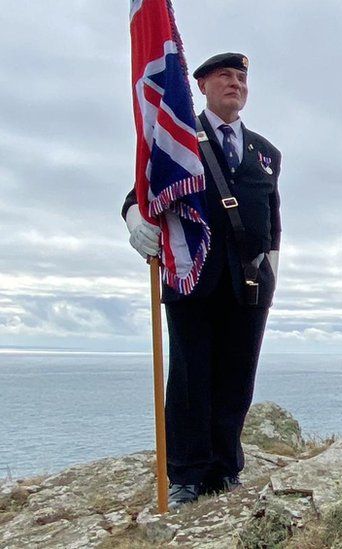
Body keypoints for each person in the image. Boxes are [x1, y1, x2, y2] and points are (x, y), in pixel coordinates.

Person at [122, 52, 282, 508]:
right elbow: (138, 195)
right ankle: (187, 475)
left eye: (241, 77)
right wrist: (136, 220)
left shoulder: (266, 152)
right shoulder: (178, 137)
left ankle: (225, 467)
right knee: (191, 376)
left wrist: (272, 274)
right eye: (225, 76)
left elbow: (273, 221)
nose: (235, 83)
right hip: (193, 275)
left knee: (237, 377)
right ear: (202, 85)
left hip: (249, 282)